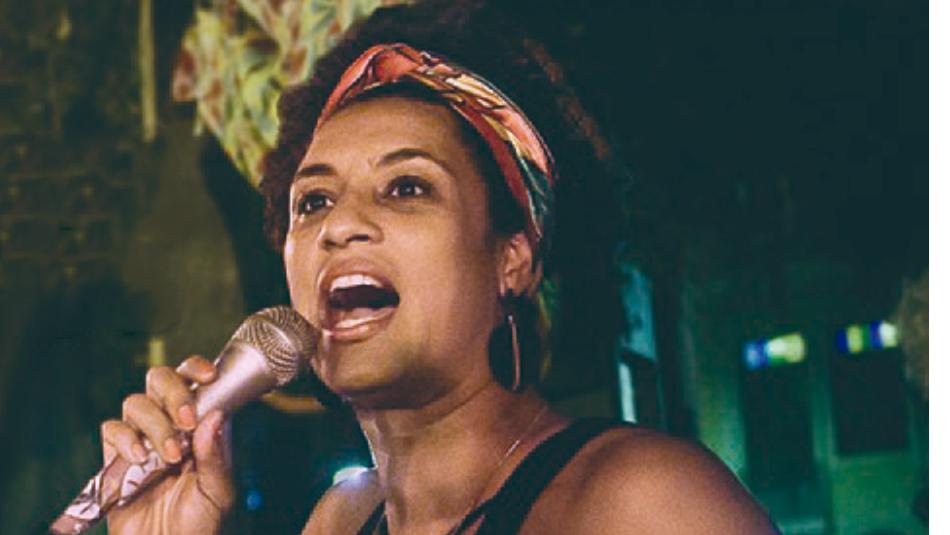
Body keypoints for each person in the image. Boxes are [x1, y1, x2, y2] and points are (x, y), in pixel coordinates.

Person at [99, 1, 778, 533]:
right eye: (314, 201)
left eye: (407, 187)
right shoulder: (338, 521)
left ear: (512, 259)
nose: (339, 225)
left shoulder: (642, 500)